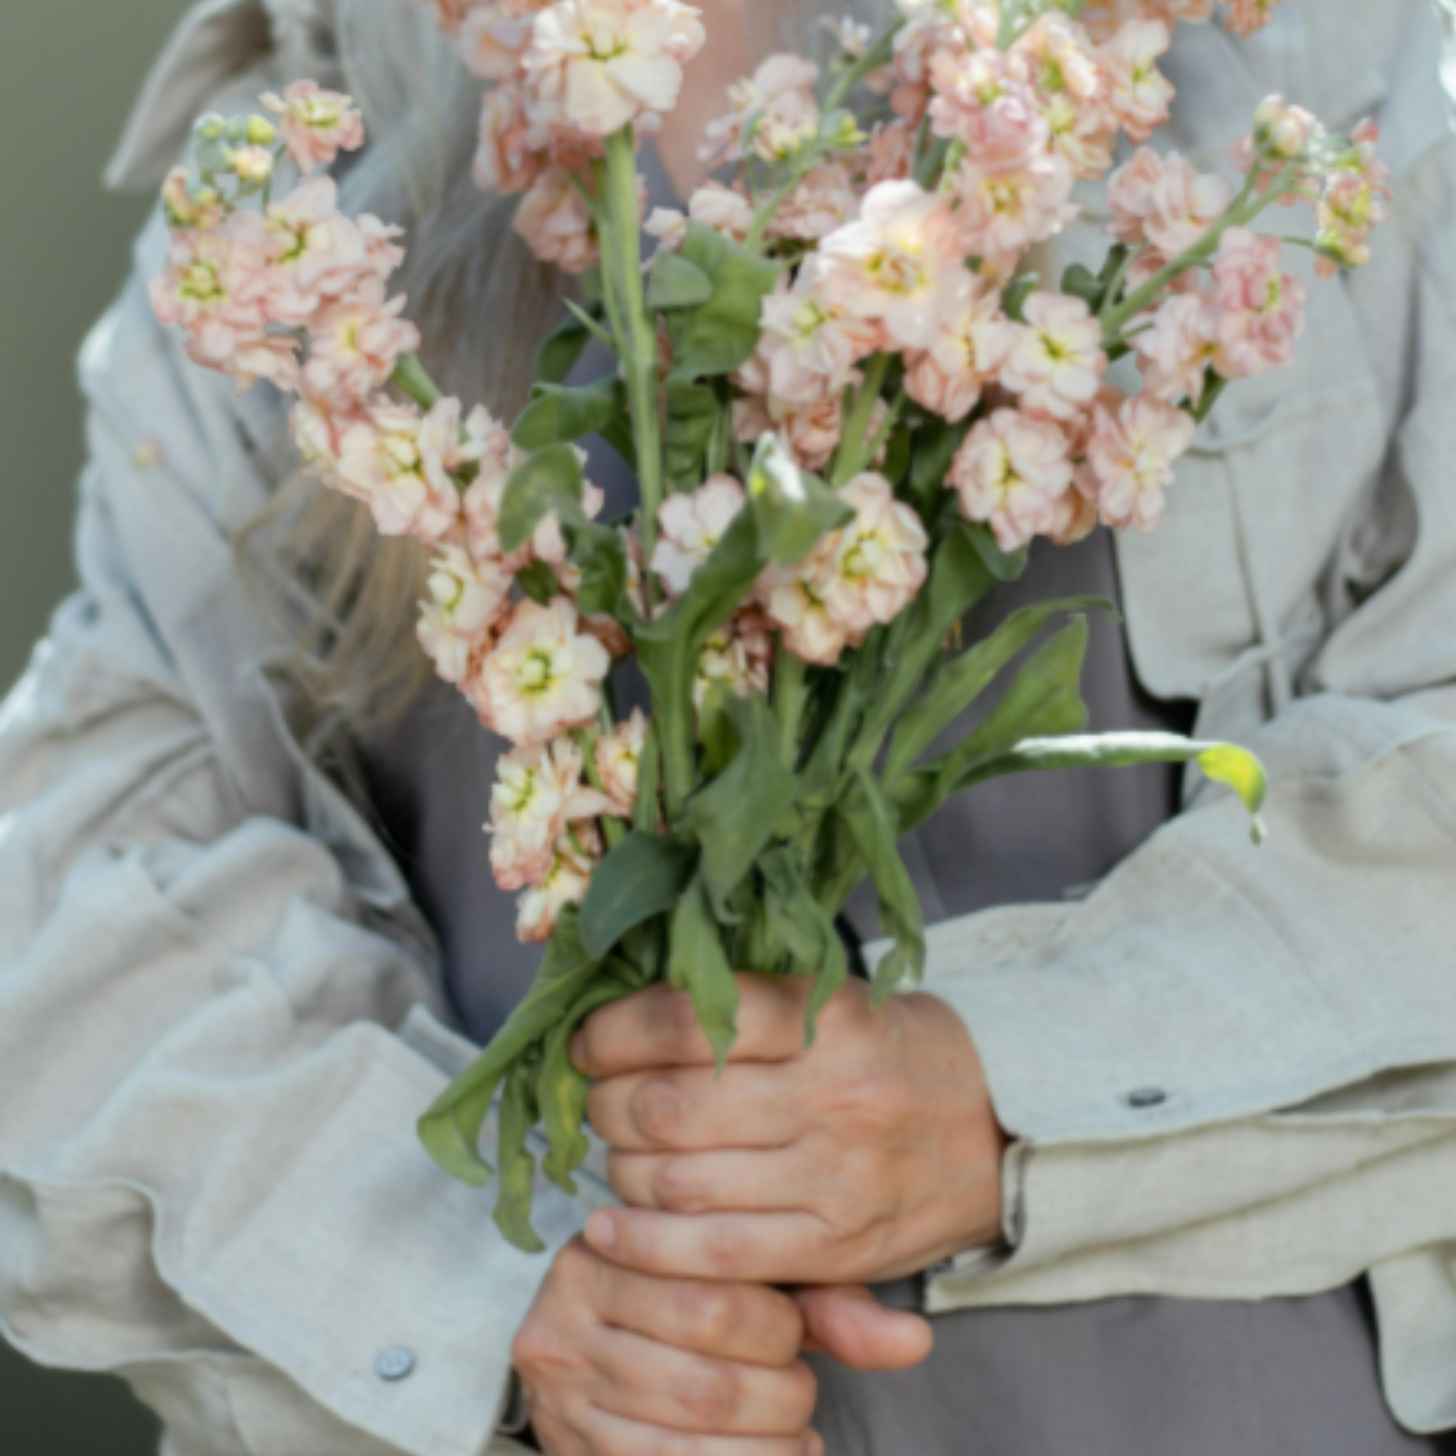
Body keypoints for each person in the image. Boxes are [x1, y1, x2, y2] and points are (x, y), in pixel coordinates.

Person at [2, 0, 1456, 1453]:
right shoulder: (306, 159)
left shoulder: (1339, 72)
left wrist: (1006, 1090)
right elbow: (77, 890)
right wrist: (494, 1308)